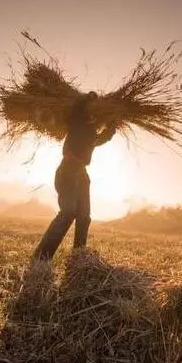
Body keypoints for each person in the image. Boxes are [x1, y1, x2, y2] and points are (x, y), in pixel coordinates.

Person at [32, 92, 118, 261]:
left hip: (82, 175)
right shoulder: (76, 122)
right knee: (68, 212)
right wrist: (88, 98)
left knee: (84, 217)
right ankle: (41, 256)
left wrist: (110, 130)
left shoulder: (91, 130)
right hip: (68, 172)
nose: (93, 114)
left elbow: (97, 140)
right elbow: (80, 113)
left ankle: (78, 258)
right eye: (91, 110)